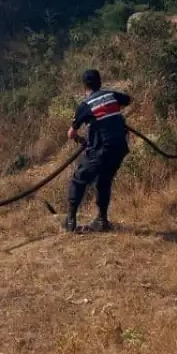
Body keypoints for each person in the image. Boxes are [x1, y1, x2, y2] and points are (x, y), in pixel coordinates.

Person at [64, 69, 131, 233]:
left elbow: (71, 133)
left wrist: (79, 137)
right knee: (103, 180)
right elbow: (127, 100)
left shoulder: (85, 105)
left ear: (84, 86)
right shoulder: (111, 95)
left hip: (101, 150)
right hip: (120, 148)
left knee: (79, 178)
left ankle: (70, 220)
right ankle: (102, 220)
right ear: (100, 83)